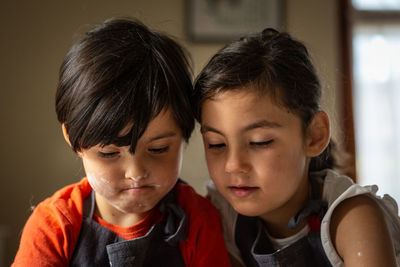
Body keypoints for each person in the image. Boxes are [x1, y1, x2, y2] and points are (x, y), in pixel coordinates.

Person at [12, 18, 230, 267]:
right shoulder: (54, 226)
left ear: (184, 134)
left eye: (158, 149)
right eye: (108, 153)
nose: (136, 173)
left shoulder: (199, 220)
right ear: (73, 140)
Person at [193, 28, 400, 266]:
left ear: (314, 136)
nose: (233, 165)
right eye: (216, 144)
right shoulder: (222, 216)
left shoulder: (352, 218)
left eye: (260, 142)